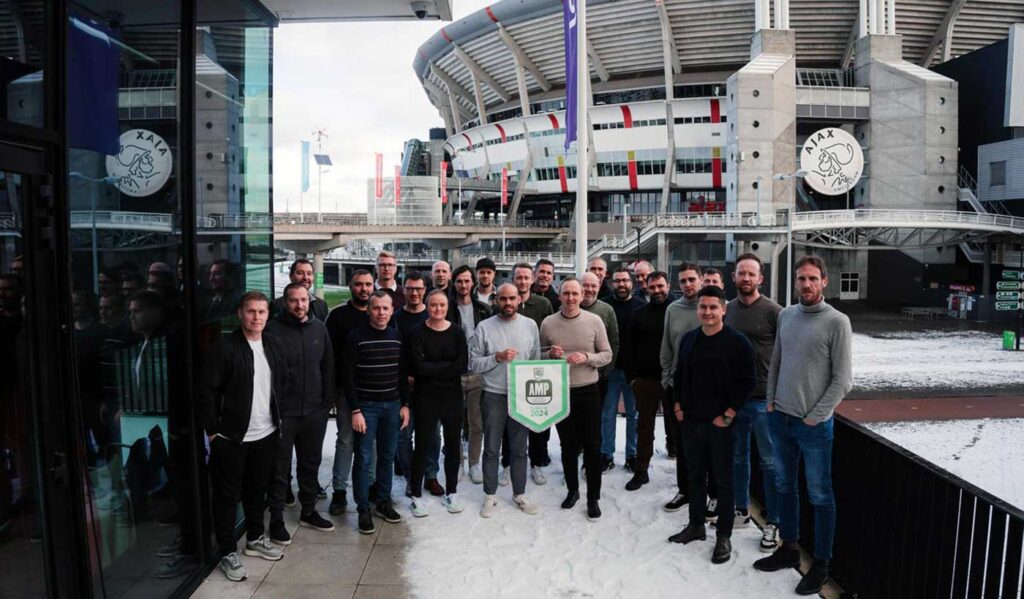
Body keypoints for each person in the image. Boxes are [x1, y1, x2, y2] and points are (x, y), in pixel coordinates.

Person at [754, 255, 852, 596]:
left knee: (820, 495)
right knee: (784, 486)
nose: (806, 284)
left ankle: (822, 564)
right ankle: (790, 548)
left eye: (812, 278)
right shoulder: (786, 316)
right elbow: (776, 362)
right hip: (779, 418)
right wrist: (770, 401)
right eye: (801, 279)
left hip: (813, 427)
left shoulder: (837, 322)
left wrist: (816, 415)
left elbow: (843, 380)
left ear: (824, 281)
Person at [199, 291, 286, 582]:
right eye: (251, 311)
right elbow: (207, 392)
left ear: (268, 315)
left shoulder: (272, 344)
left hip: (266, 433)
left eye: (262, 312)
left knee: (256, 490)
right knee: (226, 497)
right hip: (231, 437)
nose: (256, 317)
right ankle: (227, 551)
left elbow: (280, 384)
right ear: (239, 313)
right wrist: (213, 432)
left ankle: (254, 539)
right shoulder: (224, 348)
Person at [668, 286, 756, 566]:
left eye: (712, 307)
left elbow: (748, 381)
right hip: (692, 421)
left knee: (723, 482)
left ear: (723, 309)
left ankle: (724, 535)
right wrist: (678, 406)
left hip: (721, 424)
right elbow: (680, 375)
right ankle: (695, 526)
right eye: (703, 307)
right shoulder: (690, 339)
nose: (707, 312)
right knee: (695, 476)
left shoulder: (737, 342)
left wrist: (729, 414)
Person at [265, 283, 336, 542]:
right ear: (285, 302)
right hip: (284, 414)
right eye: (294, 300)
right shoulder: (272, 330)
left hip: (314, 412)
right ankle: (276, 519)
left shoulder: (319, 328)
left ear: (309, 300)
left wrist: (325, 404)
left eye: (303, 300)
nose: (299, 305)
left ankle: (308, 511)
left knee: (310, 465)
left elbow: (328, 366)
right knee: (279, 469)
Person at [541, 278, 613, 521]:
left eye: (575, 293)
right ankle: (573, 490)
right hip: (561, 391)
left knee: (593, 446)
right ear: (559, 295)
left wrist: (586, 357)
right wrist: (549, 353)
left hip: (588, 390)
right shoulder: (548, 323)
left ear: (582, 296)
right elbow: (537, 356)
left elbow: (607, 355)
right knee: (567, 445)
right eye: (566, 293)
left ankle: (594, 497)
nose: (570, 298)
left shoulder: (594, 321)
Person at [724, 253, 782, 551]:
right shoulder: (727, 310)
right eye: (740, 273)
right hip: (736, 400)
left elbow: (786, 355)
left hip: (764, 401)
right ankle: (741, 508)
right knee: (738, 457)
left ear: (760, 278)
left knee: (770, 463)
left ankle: (774, 521)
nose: (745, 278)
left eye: (751, 274)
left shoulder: (774, 311)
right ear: (733, 277)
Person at [469, 283, 540, 518]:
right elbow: (473, 363)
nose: (507, 303)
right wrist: (496, 358)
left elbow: (535, 360)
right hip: (493, 394)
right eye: (503, 299)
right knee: (491, 447)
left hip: (521, 395)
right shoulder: (484, 327)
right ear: (495, 300)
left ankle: (519, 493)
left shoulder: (530, 326)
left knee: (520, 448)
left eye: (512, 298)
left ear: (519, 299)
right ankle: (490, 494)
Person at [346, 291, 411, 534]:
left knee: (386, 456)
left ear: (391, 309)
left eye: (386, 308)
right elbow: (348, 377)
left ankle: (383, 501)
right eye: (376, 308)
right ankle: (363, 508)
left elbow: (402, 374)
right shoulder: (356, 338)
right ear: (369, 310)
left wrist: (405, 405)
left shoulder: (396, 337)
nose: (381, 313)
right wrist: (356, 410)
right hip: (367, 407)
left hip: (392, 406)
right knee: (363, 458)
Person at [407, 290, 469, 517]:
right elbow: (418, 367)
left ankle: (451, 491)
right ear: (427, 306)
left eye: (442, 305)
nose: (438, 309)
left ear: (447, 307)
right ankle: (415, 494)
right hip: (426, 397)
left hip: (452, 396)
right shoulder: (417, 333)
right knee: (422, 445)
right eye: (433, 305)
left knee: (453, 445)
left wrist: (433, 368)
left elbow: (461, 365)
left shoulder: (456, 333)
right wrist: (445, 367)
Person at [324, 269, 374, 515]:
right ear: (350, 286)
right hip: (346, 391)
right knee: (345, 441)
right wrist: (332, 389)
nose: (363, 289)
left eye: (367, 284)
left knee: (372, 443)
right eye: (358, 284)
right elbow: (329, 355)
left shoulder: (379, 315)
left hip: (376, 393)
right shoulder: (338, 316)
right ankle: (340, 492)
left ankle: (372, 488)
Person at [390, 272, 441, 497]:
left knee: (432, 434)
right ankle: (413, 476)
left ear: (425, 291)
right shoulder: (395, 317)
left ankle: (430, 475)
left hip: (429, 387)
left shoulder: (433, 316)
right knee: (403, 435)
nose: (414, 293)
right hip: (402, 388)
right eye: (410, 288)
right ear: (403, 289)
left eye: (418, 289)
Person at [658, 263, 702, 512]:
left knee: (707, 443)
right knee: (682, 443)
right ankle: (684, 490)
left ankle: (708, 492)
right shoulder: (673, 310)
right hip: (678, 388)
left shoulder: (709, 305)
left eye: (691, 279)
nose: (687, 284)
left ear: (700, 280)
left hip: (706, 388)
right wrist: (667, 379)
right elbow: (666, 347)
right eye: (683, 281)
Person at [623, 271, 672, 491]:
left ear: (668, 286)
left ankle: (683, 477)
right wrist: (632, 377)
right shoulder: (639, 313)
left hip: (672, 379)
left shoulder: (676, 311)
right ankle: (641, 471)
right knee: (644, 428)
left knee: (677, 428)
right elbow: (629, 346)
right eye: (652, 287)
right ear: (646, 288)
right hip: (645, 380)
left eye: (660, 286)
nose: (657, 291)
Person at [511, 263, 554, 484]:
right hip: (511, 371)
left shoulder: (543, 303)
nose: (523, 281)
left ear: (533, 279)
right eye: (519, 277)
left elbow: (548, 336)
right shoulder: (506, 300)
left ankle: (537, 462)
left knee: (538, 422)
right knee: (511, 422)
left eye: (527, 277)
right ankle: (507, 463)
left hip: (537, 370)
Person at [448, 265, 491, 485]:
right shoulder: (446, 308)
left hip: (477, 373)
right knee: (454, 422)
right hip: (454, 374)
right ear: (453, 283)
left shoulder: (483, 309)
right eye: (459, 281)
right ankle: (457, 462)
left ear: (472, 283)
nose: (463, 285)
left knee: (477, 422)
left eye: (467, 281)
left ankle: (474, 462)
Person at [605, 268, 645, 472]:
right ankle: (606, 454)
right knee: (608, 413)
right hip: (610, 369)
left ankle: (632, 454)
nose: (621, 284)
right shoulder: (605, 305)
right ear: (612, 283)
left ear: (632, 283)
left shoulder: (641, 306)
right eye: (617, 281)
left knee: (633, 414)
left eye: (625, 281)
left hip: (633, 371)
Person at [579, 272, 619, 472]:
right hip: (572, 378)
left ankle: (592, 460)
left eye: (593, 286)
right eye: (584, 285)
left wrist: (605, 371)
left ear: (599, 285)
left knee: (595, 421)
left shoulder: (606, 310)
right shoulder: (568, 307)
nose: (589, 289)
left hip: (599, 377)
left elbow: (614, 342)